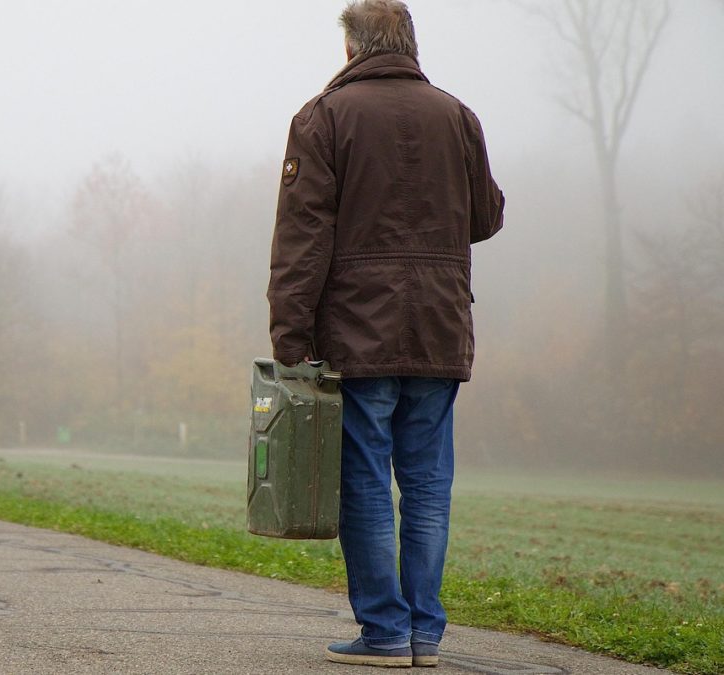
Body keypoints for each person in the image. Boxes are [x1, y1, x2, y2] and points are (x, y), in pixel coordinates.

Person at [266, 0, 504, 668]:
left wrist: (291, 334)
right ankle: (424, 635)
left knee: (367, 479)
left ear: (352, 49)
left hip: (358, 329)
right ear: (409, 43)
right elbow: (485, 217)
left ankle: (384, 631)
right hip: (440, 326)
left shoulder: (322, 118)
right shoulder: (458, 117)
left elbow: (302, 239)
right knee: (427, 483)